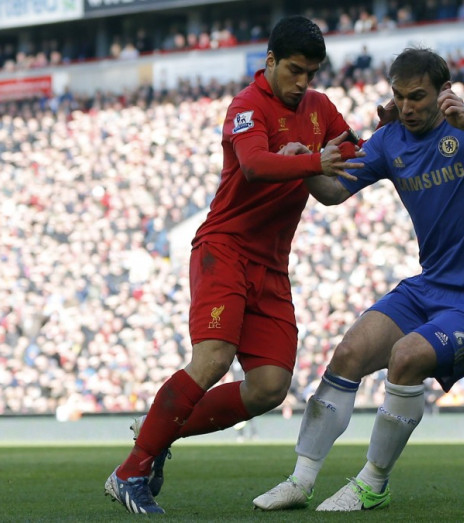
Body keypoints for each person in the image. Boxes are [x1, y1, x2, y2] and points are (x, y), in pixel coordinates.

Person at [253, 46, 464, 512]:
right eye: (400, 96)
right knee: (349, 352)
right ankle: (300, 480)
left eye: (417, 97)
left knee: (406, 356)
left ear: (443, 93)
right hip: (429, 287)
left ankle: (373, 482)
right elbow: (333, 192)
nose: (408, 107)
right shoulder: (390, 139)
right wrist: (307, 163)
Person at [104, 15, 367, 515]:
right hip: (224, 248)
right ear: (269, 61)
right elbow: (254, 164)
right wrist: (313, 160)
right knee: (213, 358)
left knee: (270, 387)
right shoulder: (247, 106)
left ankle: (158, 434)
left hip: (271, 264)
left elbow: (349, 159)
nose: (303, 82)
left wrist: (376, 138)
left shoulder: (320, 107)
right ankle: (130, 470)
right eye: (294, 70)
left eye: (311, 73)